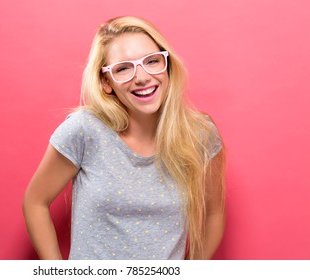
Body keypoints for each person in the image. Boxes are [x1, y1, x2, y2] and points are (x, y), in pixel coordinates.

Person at [22, 16, 226, 260]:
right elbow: (35, 202)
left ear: (167, 65)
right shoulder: (84, 131)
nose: (141, 77)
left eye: (152, 61)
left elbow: (214, 213)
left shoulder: (199, 135)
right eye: (123, 68)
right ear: (106, 82)